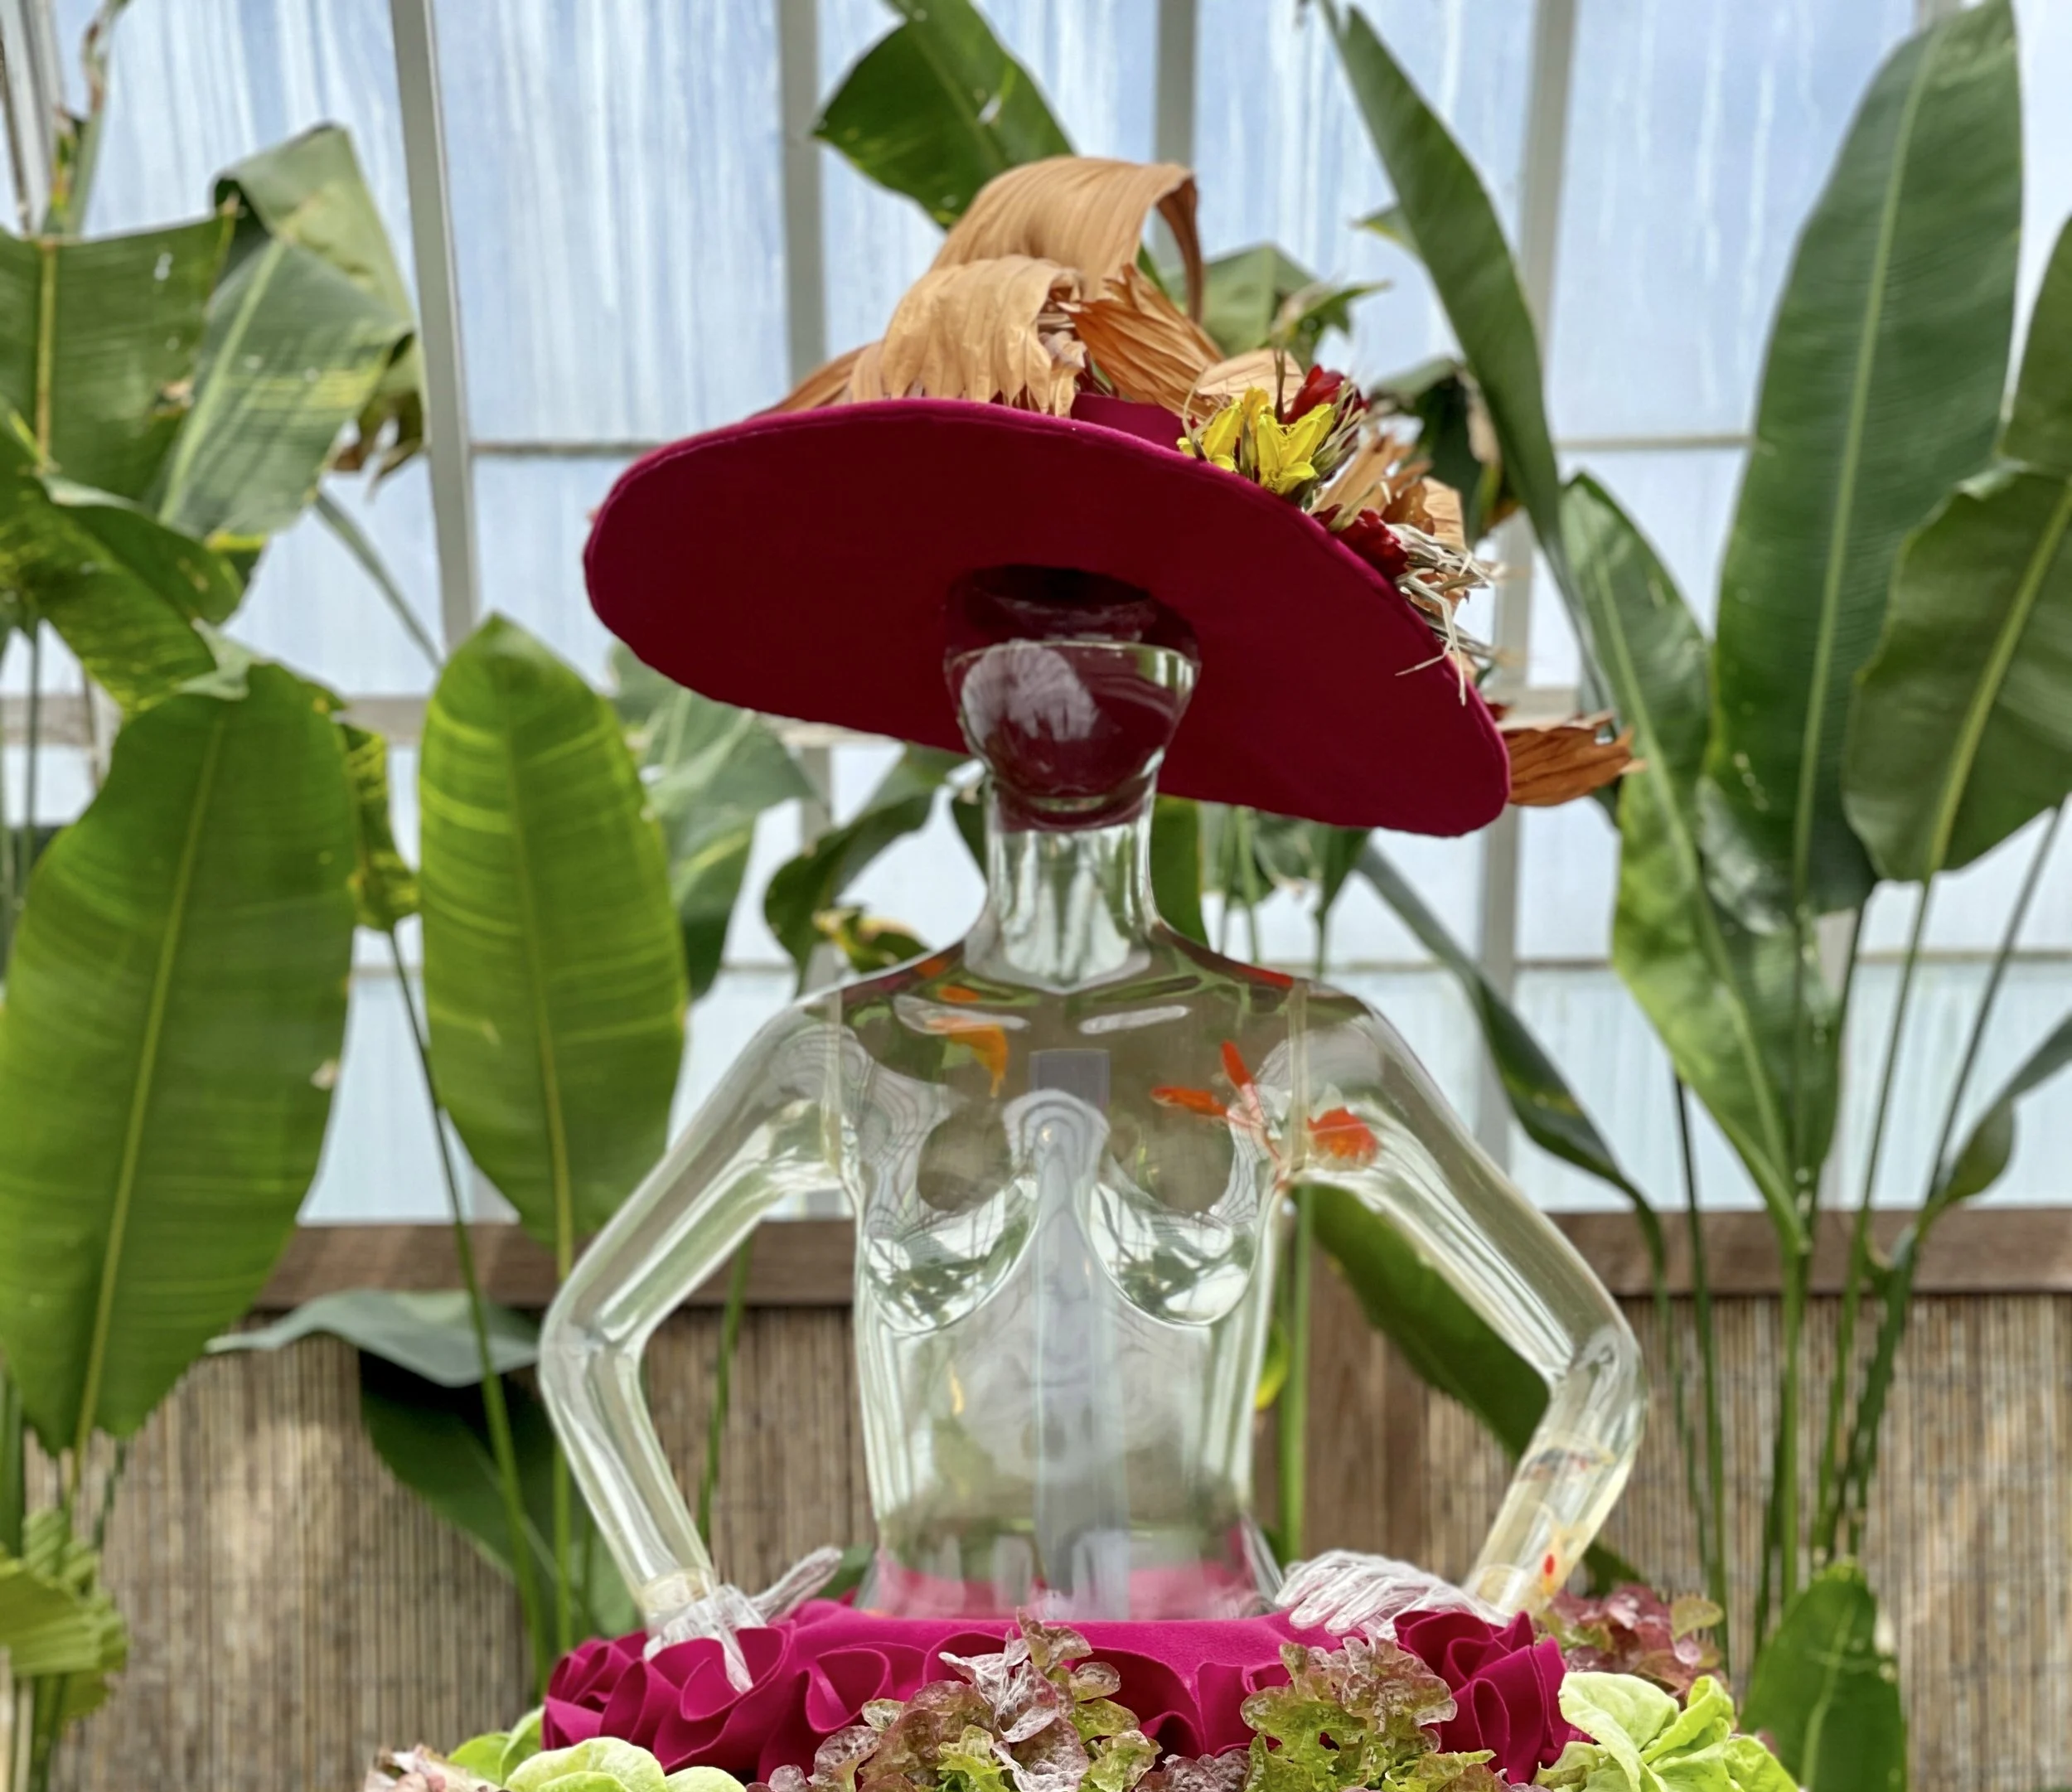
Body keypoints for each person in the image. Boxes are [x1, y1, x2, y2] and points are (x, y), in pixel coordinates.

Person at [540, 157, 1644, 1668]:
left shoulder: (1291, 1050)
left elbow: (1594, 1357)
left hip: (1225, 1722)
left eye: (1124, 636)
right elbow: (588, 1338)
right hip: (891, 1708)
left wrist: (1484, 1601)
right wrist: (689, 1616)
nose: (1064, 670)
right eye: (1018, 632)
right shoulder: (855, 1054)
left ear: (1193, 688)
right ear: (954, 683)